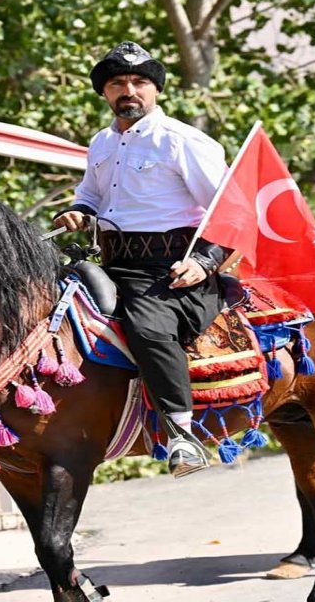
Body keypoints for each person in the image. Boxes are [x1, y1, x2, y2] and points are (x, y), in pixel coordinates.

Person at [52, 41, 229, 478]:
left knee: (147, 329)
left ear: (156, 90)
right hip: (113, 262)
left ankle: (183, 436)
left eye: (139, 82)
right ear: (105, 92)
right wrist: (81, 212)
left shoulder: (183, 141)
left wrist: (204, 262)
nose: (129, 90)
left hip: (173, 268)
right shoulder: (102, 141)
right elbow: (92, 194)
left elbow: (229, 208)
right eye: (117, 83)